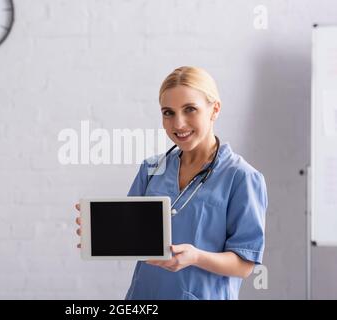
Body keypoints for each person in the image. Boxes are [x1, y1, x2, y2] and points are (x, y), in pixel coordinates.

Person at [75, 66, 268, 300]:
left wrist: (196, 257)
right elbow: (133, 237)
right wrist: (102, 232)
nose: (178, 124)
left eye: (190, 110)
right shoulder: (152, 169)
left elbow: (244, 264)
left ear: (214, 109)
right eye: (168, 112)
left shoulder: (241, 177)